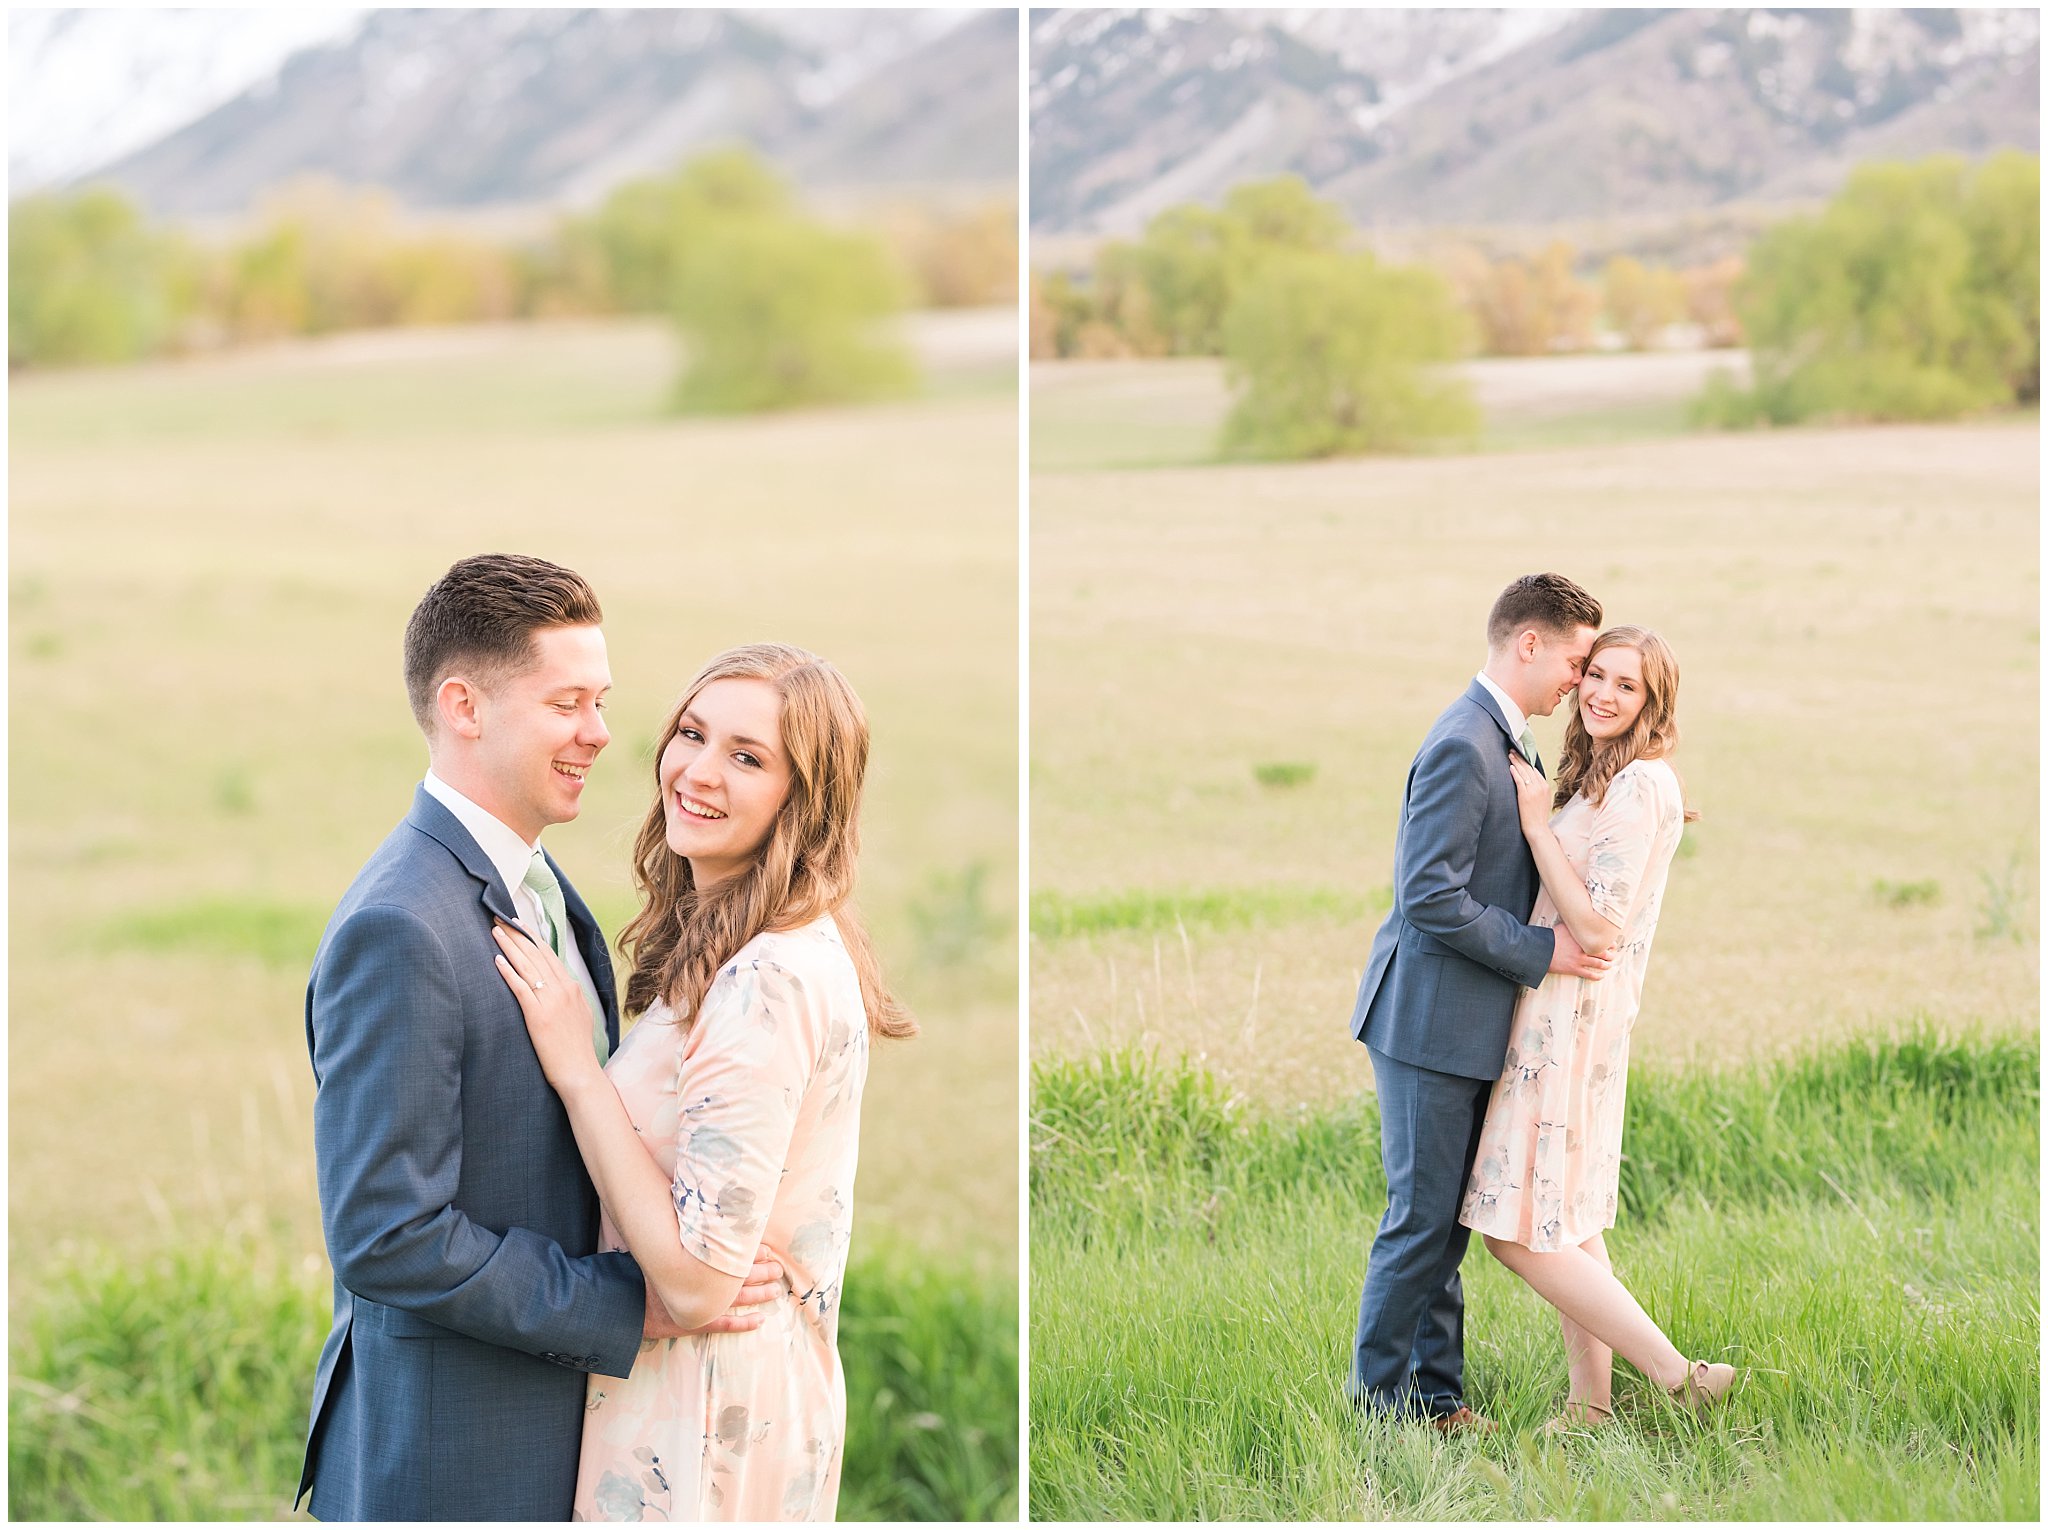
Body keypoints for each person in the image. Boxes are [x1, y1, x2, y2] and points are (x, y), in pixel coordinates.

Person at [299, 555, 777, 1521]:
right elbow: (387, 1235)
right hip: (455, 1456)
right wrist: (626, 1304)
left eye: (600, 702)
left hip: (565, 1435)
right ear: (465, 706)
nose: (601, 735)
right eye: (568, 703)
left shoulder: (541, 883)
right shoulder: (402, 925)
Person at [493, 642, 914, 1521]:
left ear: (806, 800)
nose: (699, 772)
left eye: (748, 757)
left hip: (706, 1422)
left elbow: (694, 1286)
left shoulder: (769, 978)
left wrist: (579, 1074)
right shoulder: (740, 946)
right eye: (693, 734)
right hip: (692, 1400)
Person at [1346, 573, 1612, 1434]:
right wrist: (1545, 951)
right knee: (1419, 1224)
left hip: (1460, 1022)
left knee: (1443, 1229)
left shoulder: (1506, 738)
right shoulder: (1467, 740)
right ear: (1528, 644)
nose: (1581, 679)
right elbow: (1429, 895)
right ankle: (1379, 1408)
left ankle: (1435, 1400)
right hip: (1427, 1025)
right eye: (1576, 660)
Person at [1460, 626, 1735, 1430]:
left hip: (1570, 1022)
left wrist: (1539, 826)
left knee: (1515, 1235)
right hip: (1555, 1013)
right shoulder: (1597, 776)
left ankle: (1677, 1374)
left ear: (1654, 705)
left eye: (1628, 687)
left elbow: (1601, 926)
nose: (1604, 695)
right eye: (1598, 677)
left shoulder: (1642, 784)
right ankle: (1592, 1406)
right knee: (1568, 1222)